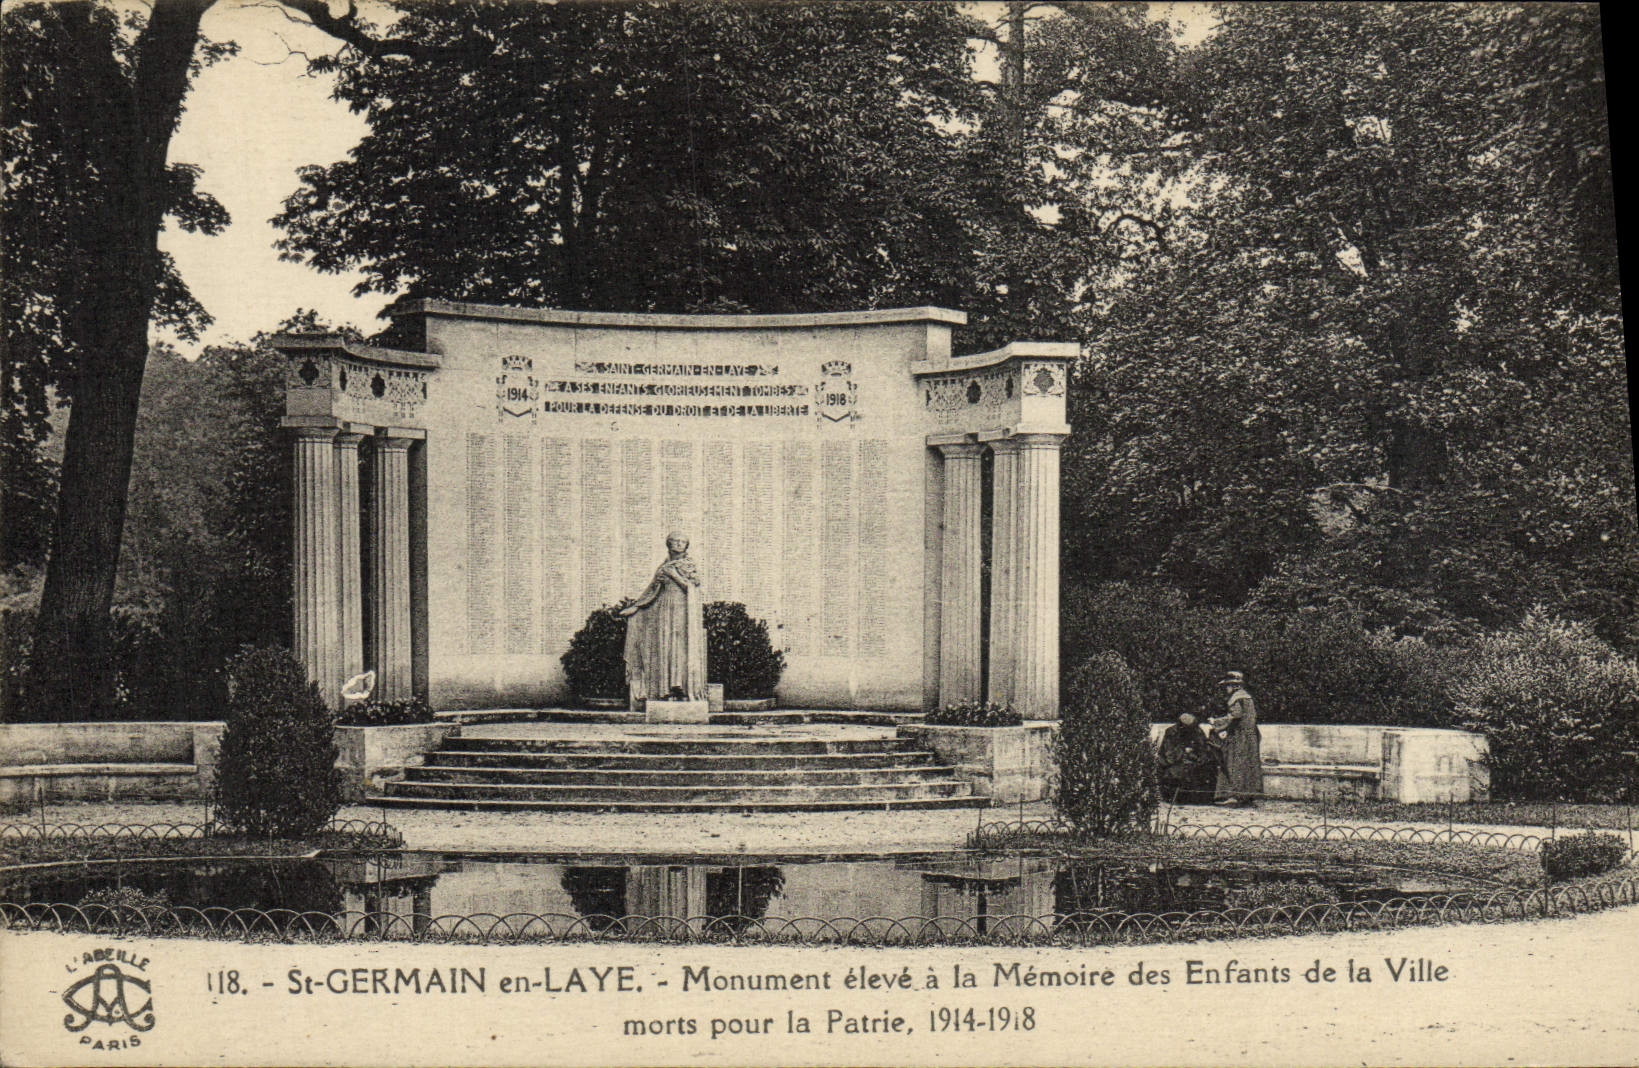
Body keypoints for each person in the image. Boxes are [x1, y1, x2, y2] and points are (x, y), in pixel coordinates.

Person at [619, 532, 707, 706]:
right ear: (669, 544)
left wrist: (673, 574)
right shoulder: (663, 566)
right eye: (676, 541)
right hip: (664, 609)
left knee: (679, 647)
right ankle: (665, 689)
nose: (680, 544)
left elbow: (691, 587)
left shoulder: (689, 565)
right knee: (665, 646)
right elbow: (652, 590)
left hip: (683, 611)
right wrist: (636, 607)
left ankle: (680, 686)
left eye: (683, 542)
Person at [1210, 670, 1262, 807]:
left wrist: (1216, 723)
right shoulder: (1248, 697)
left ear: (1234, 686)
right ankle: (1247, 795)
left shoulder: (1236, 698)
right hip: (1250, 736)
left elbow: (1235, 716)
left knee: (1233, 764)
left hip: (1239, 736)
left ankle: (1234, 795)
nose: (1226, 689)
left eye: (1227, 686)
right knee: (1248, 764)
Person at [1157, 711, 1217, 804]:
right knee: (1177, 772)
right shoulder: (1171, 732)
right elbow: (1169, 755)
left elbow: (1204, 749)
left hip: (1193, 761)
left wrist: (1197, 756)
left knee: (1206, 769)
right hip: (1174, 762)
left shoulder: (1197, 731)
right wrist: (1184, 752)